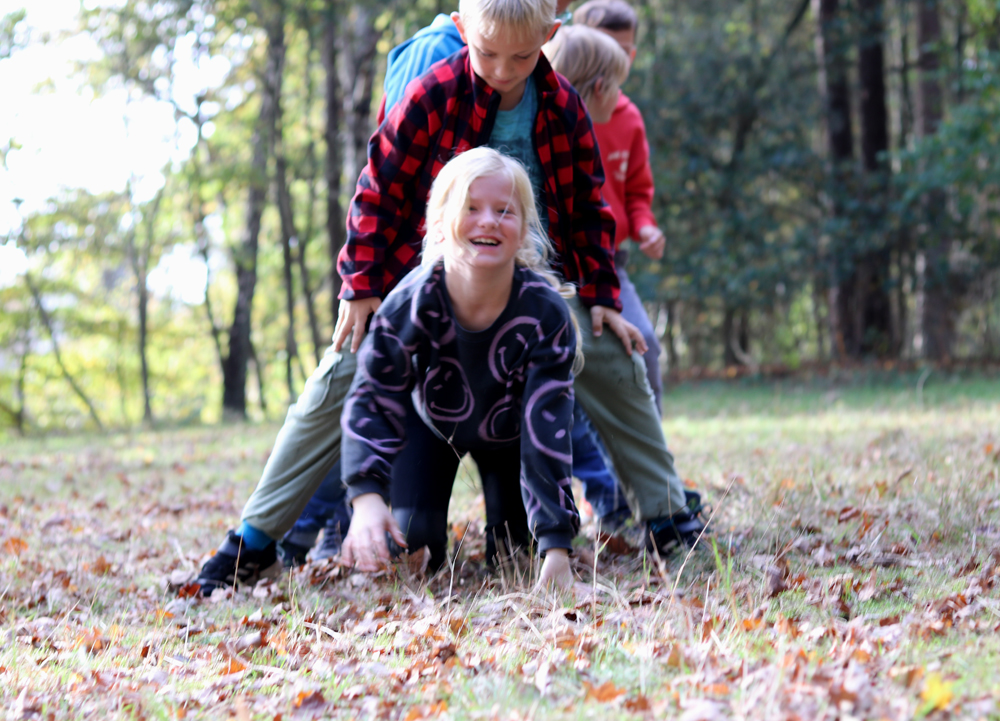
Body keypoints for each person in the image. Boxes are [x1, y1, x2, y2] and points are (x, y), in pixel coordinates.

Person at [195, 0, 704, 597]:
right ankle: (254, 542)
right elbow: (378, 190)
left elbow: (590, 203)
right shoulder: (433, 94)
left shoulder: (562, 105)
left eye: (522, 54)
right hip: (432, 280)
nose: (504, 69)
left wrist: (601, 292)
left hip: (532, 284)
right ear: (462, 30)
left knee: (619, 359)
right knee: (340, 373)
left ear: (550, 35)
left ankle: (670, 518)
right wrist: (362, 286)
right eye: (488, 53)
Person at [339, 147, 580, 587]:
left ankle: (522, 533)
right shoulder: (409, 305)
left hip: (512, 437)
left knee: (517, 559)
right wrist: (366, 496)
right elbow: (372, 398)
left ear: (525, 228)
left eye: (504, 211)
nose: (488, 220)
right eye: (471, 208)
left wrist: (556, 545)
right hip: (430, 425)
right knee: (415, 550)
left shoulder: (545, 315)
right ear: (439, 222)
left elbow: (547, 430)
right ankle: (356, 529)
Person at [573, 0, 666, 415]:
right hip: (562, 260)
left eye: (629, 51)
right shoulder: (557, 108)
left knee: (643, 344)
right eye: (612, 47)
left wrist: (644, 225)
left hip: (611, 261)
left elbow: (637, 192)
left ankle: (654, 475)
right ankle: (589, 476)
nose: (621, 59)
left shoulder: (627, 117)